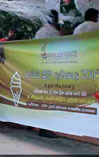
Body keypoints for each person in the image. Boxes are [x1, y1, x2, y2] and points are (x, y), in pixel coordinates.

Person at [33, 10, 60, 138]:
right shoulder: (53, 32)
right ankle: (45, 128)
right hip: (50, 69)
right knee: (49, 99)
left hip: (39, 68)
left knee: (40, 98)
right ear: (54, 19)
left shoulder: (39, 32)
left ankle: (32, 124)